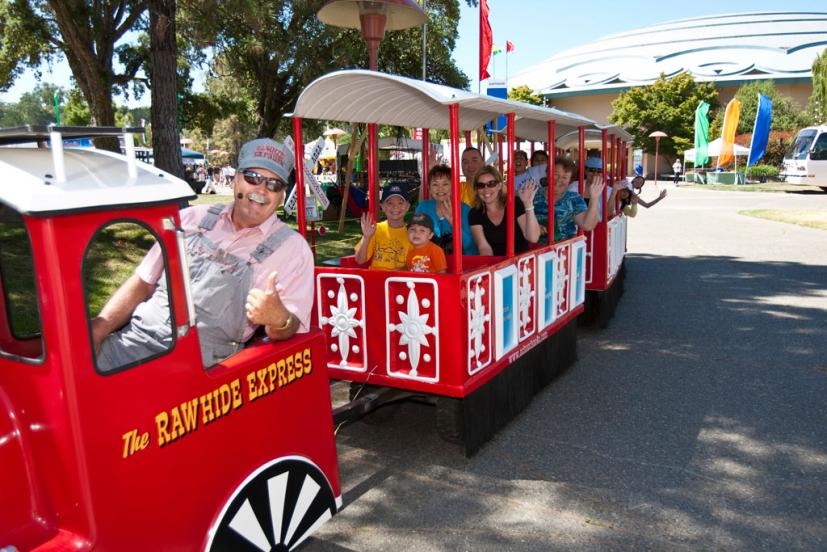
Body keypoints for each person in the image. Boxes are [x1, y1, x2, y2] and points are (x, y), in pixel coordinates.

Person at [93, 138, 312, 371]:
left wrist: (279, 318)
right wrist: (100, 328)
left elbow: (293, 327)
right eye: (253, 178)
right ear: (236, 180)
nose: (261, 190)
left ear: (281, 196)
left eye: (273, 184)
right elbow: (143, 281)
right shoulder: (191, 219)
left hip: (202, 369)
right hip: (133, 340)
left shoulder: (294, 250)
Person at [469, 165, 540, 256]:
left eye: (491, 184)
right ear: (476, 189)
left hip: (521, 262)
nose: (486, 189)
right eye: (481, 185)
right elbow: (484, 247)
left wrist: (528, 204)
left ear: (499, 186)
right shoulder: (474, 213)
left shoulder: (515, 204)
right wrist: (491, 267)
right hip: (496, 265)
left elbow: (533, 238)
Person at [415, 164, 478, 255]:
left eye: (445, 184)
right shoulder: (423, 207)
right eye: (435, 184)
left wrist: (453, 222)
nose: (440, 189)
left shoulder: (465, 210)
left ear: (453, 186)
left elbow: (468, 245)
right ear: (429, 188)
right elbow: (415, 239)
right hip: (431, 262)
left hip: (463, 262)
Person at [355, 182, 411, 269]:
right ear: (382, 207)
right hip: (375, 280)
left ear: (407, 206)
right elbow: (359, 260)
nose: (395, 207)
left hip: (401, 281)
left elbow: (416, 264)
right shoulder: (375, 229)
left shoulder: (413, 233)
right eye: (389, 203)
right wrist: (366, 238)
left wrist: (395, 273)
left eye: (400, 203)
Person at [553, 157, 603, 241]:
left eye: (564, 177)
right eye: (592, 170)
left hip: (571, 242)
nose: (595, 173)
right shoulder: (575, 187)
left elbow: (587, 225)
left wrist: (594, 198)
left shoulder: (573, 197)